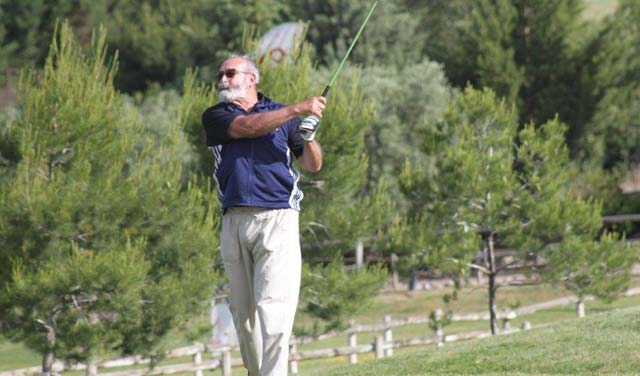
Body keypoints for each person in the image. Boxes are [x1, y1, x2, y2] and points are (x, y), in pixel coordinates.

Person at [201, 54, 326, 376]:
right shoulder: (216, 116)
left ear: (251, 78)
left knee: (274, 311)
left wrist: (308, 137)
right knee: (243, 317)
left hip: (278, 219)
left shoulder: (284, 116)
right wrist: (297, 110)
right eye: (221, 74)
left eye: (229, 73)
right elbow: (249, 128)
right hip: (234, 221)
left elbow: (313, 164)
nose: (222, 79)